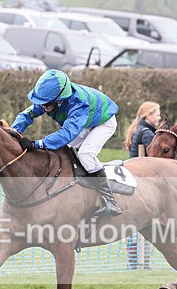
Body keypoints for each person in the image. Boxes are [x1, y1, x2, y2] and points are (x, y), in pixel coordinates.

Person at [11, 69, 122, 216]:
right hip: (85, 122)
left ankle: (110, 201)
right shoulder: (47, 97)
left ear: (60, 100)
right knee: (64, 153)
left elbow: (67, 134)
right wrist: (12, 131)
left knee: (85, 155)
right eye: (40, 102)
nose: (42, 106)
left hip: (103, 122)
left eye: (46, 103)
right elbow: (27, 115)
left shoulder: (79, 104)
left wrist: (36, 144)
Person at [123, 101, 160, 269]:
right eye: (157, 113)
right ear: (148, 115)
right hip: (141, 180)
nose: (159, 117)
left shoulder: (140, 129)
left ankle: (135, 261)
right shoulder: (146, 133)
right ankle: (141, 262)